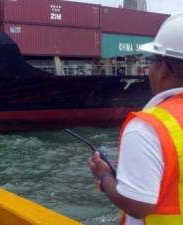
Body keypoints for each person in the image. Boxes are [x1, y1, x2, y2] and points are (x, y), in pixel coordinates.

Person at [88, 14, 183, 225]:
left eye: (151, 60)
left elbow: (138, 205)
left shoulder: (147, 128)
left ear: (164, 68)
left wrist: (104, 176)